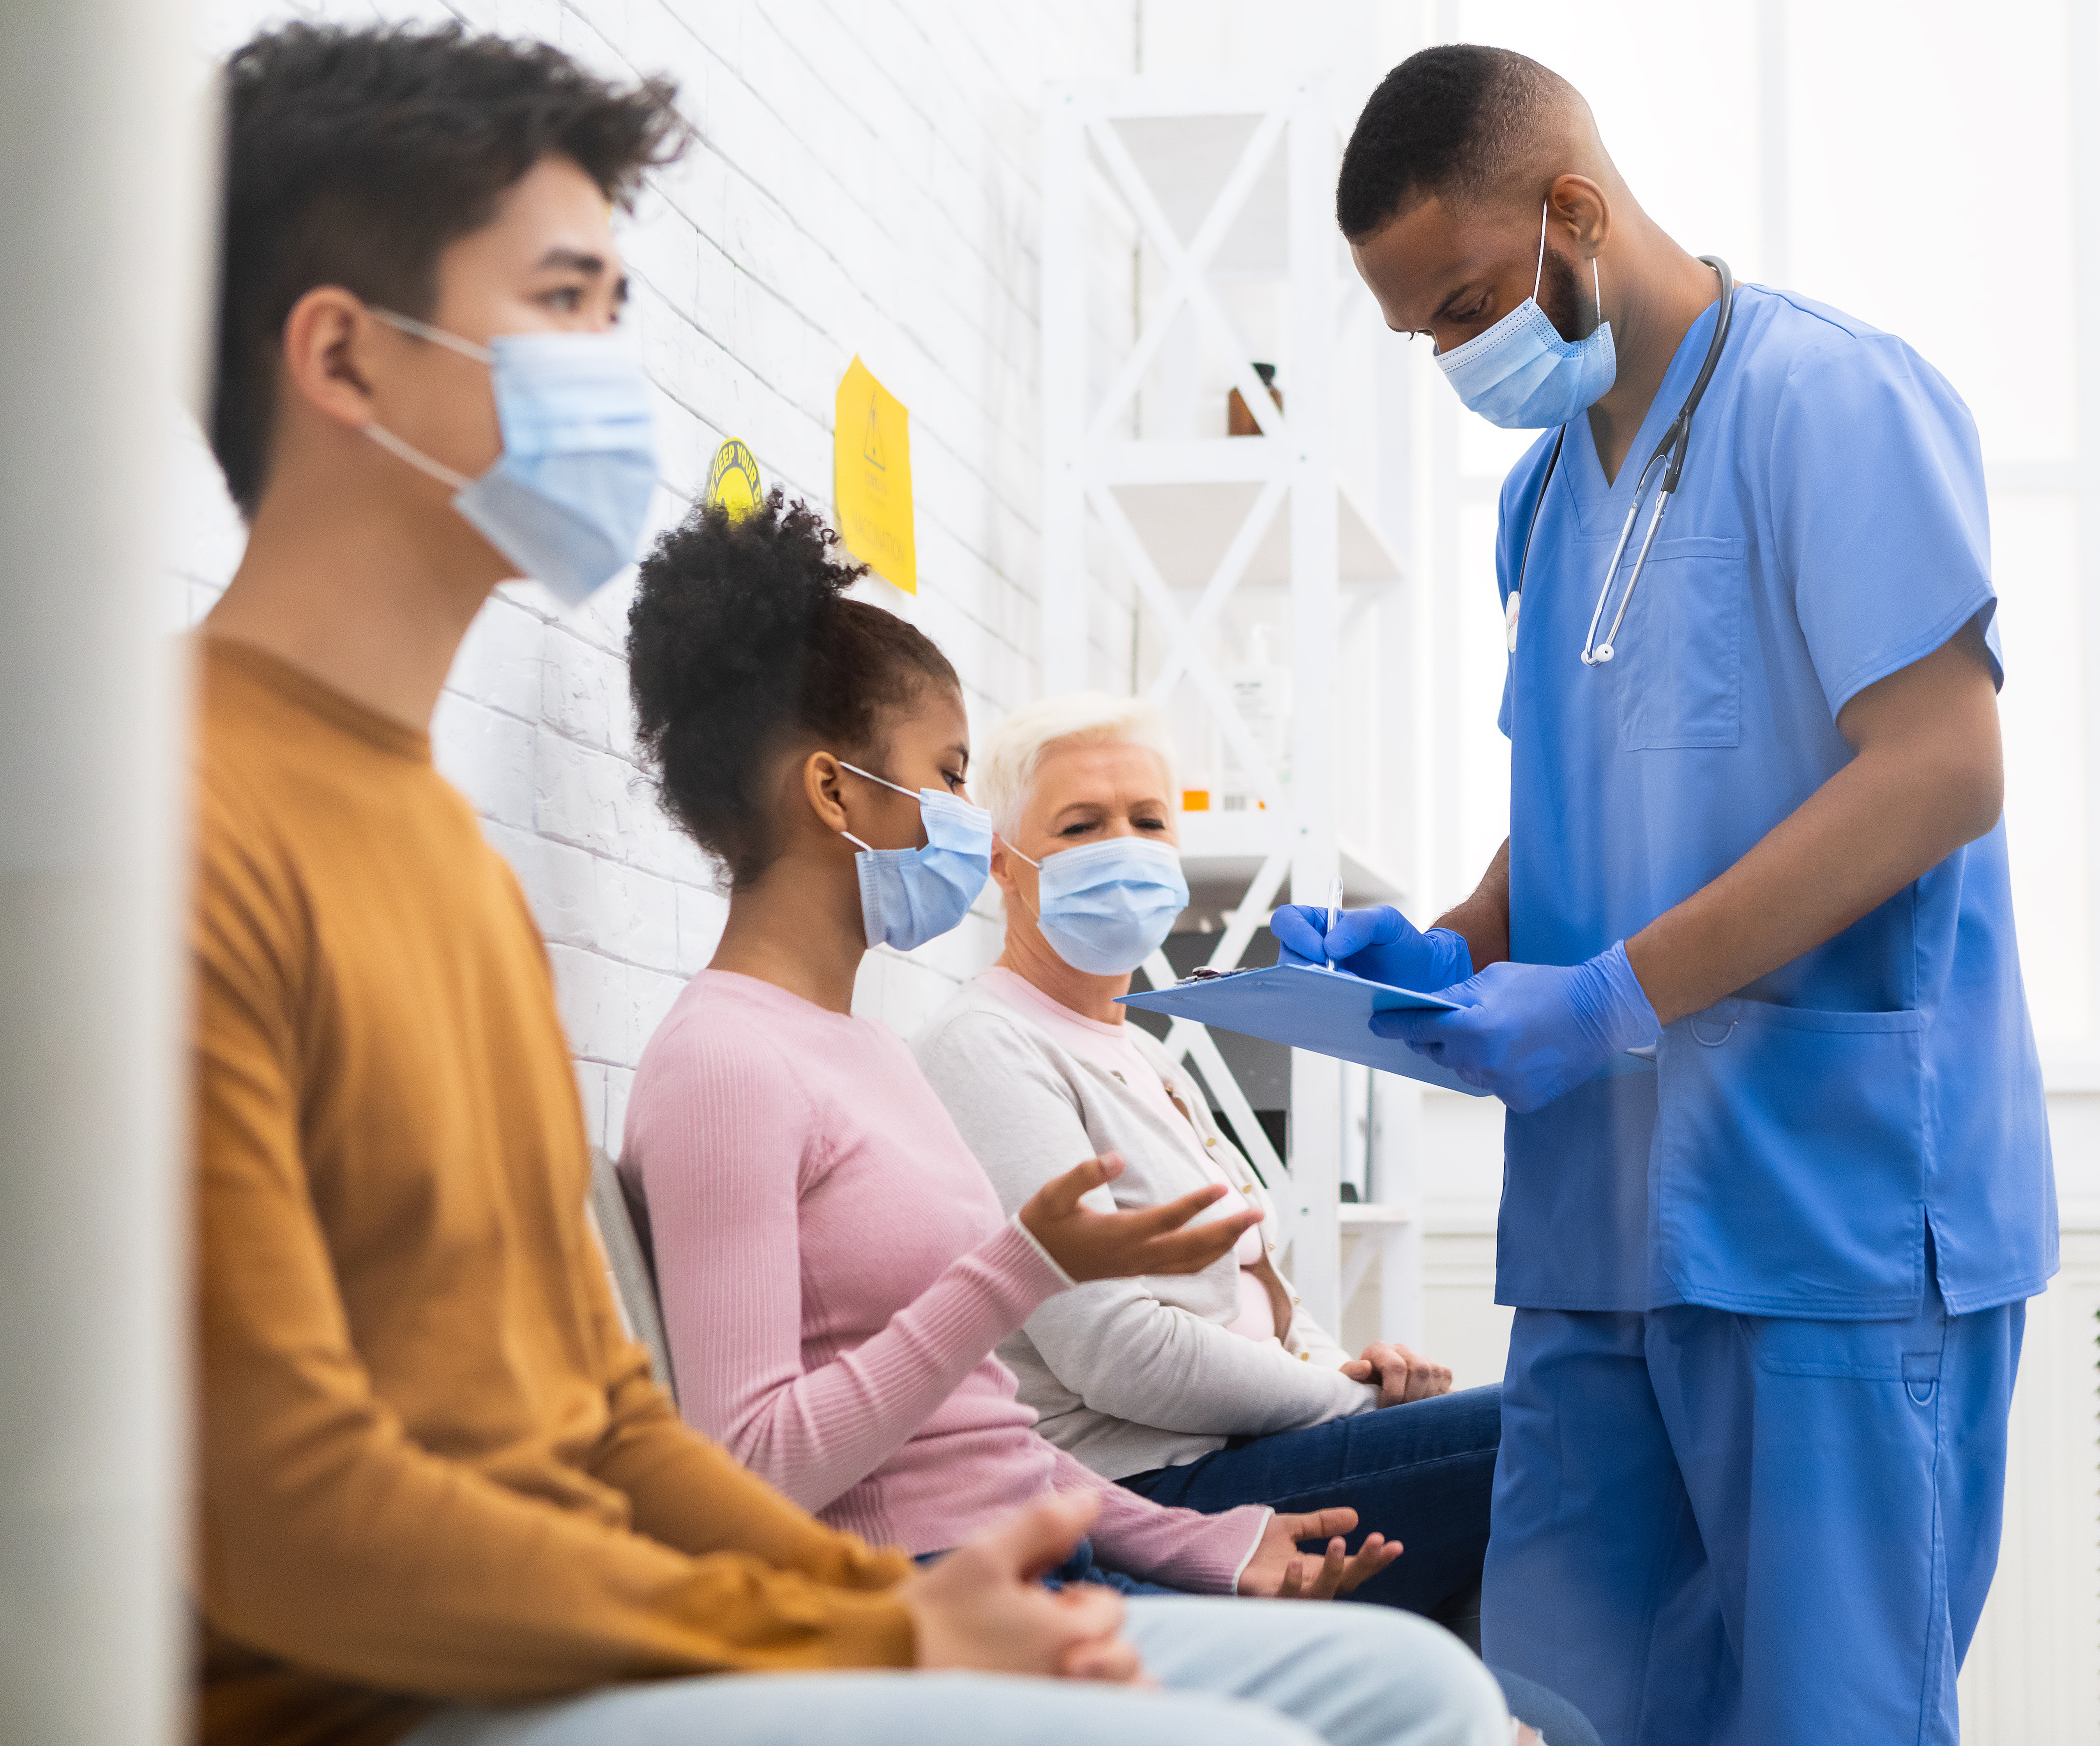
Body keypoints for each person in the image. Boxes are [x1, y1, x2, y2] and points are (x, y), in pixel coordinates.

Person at [189, 21, 1513, 1746]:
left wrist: (875, 1609)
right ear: (346, 360)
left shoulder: (455, 870)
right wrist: (852, 1623)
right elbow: (291, 1511)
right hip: (400, 1686)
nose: (613, 366)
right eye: (568, 300)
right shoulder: (177, 820)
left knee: (1405, 1687)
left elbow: (608, 1423)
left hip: (642, 1619)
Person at [1287, 44, 2062, 1746]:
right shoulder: (1544, 495)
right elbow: (1586, 806)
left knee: (1829, 1718)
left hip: (1830, 1218)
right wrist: (1441, 950)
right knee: (1569, 1710)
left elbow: (1943, 767)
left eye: (1468, 302)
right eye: (1421, 330)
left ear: (1574, 209)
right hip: (1599, 1232)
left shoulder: (1831, 401)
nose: (1453, 357)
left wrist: (1612, 995)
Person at [618, 497, 1402, 1605]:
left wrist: (1210, 1546)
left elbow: (985, 1436)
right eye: (945, 776)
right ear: (837, 791)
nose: (968, 824)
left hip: (1051, 1560)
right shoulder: (723, 1067)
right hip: (929, 1602)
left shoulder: (870, 1054)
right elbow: (748, 1471)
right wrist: (1019, 1268)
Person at [911, 693, 1502, 1638]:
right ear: (1003, 868)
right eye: (1081, 825)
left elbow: (1256, 1285)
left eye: (1149, 821)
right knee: (1547, 1429)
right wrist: (1344, 1404)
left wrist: (1341, 1364)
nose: (1126, 845)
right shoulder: (986, 1048)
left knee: (1524, 1485)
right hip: (1147, 1492)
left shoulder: (1144, 1055)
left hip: (1246, 1448)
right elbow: (1117, 1352)